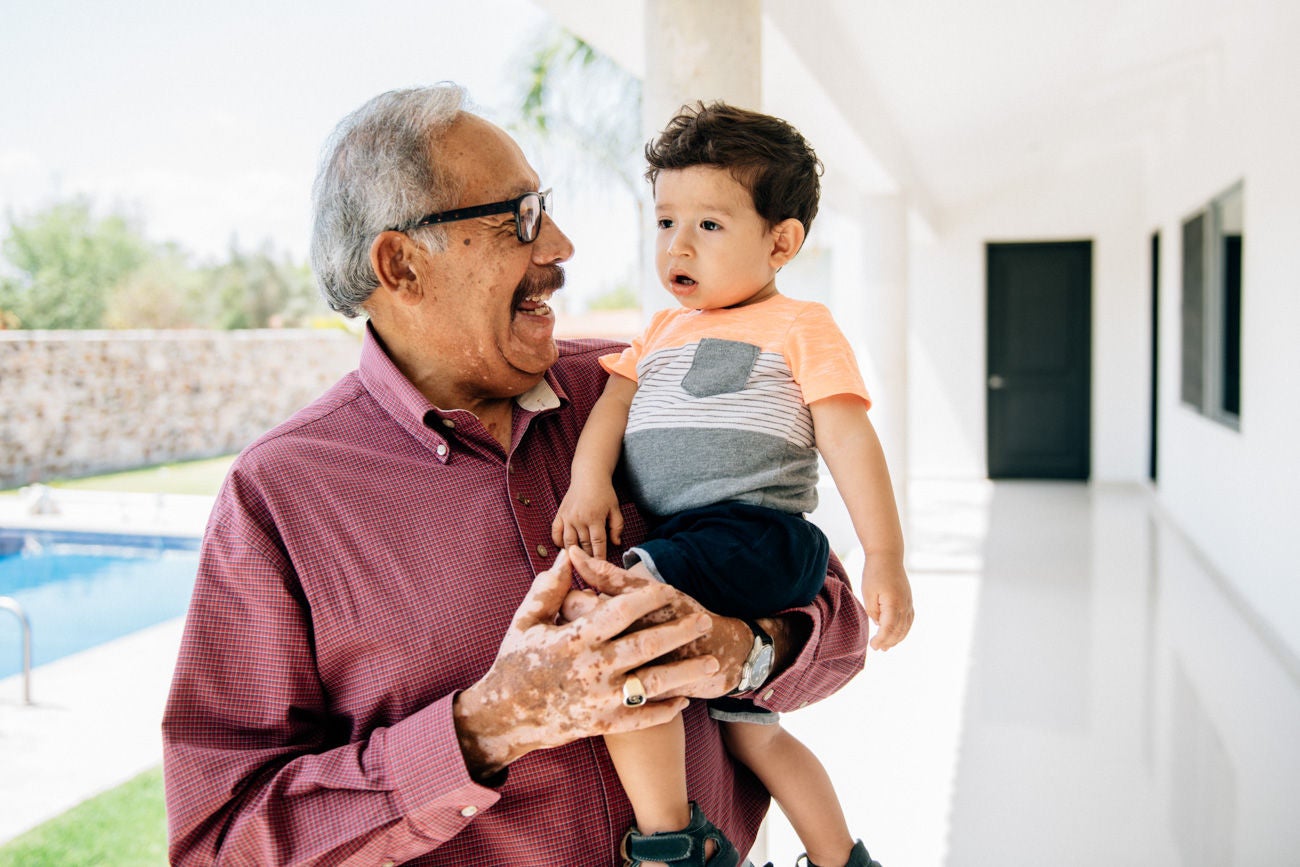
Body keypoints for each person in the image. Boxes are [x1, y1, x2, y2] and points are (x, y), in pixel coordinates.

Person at [161, 84, 870, 867]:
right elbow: (220, 845)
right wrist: (490, 724)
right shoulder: (280, 496)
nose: (561, 244)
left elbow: (836, 620)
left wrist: (744, 651)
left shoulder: (633, 392)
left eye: (548, 207)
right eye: (520, 217)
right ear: (400, 265)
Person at [552, 102, 914, 867]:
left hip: (756, 533)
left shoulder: (798, 324)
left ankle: (673, 843)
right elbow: (611, 414)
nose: (678, 245)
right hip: (693, 542)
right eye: (665, 222)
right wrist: (588, 481)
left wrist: (884, 554)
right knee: (753, 733)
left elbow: (848, 436)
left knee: (620, 626)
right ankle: (841, 858)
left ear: (781, 242)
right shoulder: (654, 333)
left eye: (709, 226)